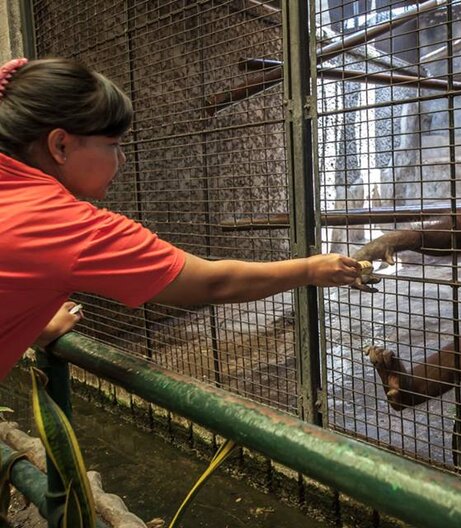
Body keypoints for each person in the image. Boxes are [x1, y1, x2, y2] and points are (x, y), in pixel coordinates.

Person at [0, 57, 361, 379]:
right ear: (60, 145)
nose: (122, 160)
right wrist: (311, 270)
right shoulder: (64, 226)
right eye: (113, 145)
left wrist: (34, 326)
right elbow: (213, 283)